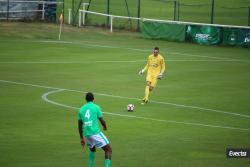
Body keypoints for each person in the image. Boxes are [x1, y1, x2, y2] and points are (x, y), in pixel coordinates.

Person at [78, 92, 112, 167]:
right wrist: (105, 126)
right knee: (108, 149)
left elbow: (79, 125)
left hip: (87, 134)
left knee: (92, 149)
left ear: (85, 99)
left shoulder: (81, 109)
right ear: (93, 99)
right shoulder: (96, 107)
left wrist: (81, 138)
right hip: (95, 132)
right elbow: (101, 119)